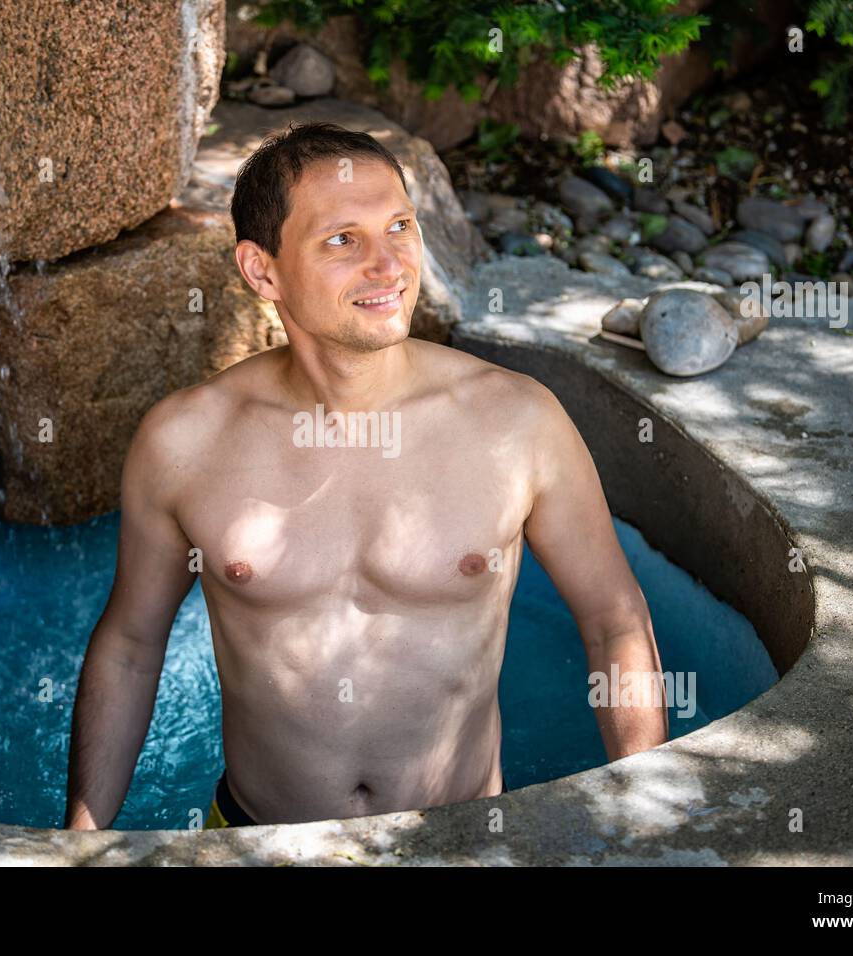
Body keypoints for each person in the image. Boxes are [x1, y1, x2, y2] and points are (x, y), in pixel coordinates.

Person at [64, 122, 667, 831]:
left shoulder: (516, 423)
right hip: (257, 836)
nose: (389, 266)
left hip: (463, 840)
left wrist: (646, 811)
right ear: (263, 271)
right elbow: (132, 646)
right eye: (343, 239)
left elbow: (613, 618)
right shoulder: (185, 443)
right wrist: (81, 835)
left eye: (400, 226)